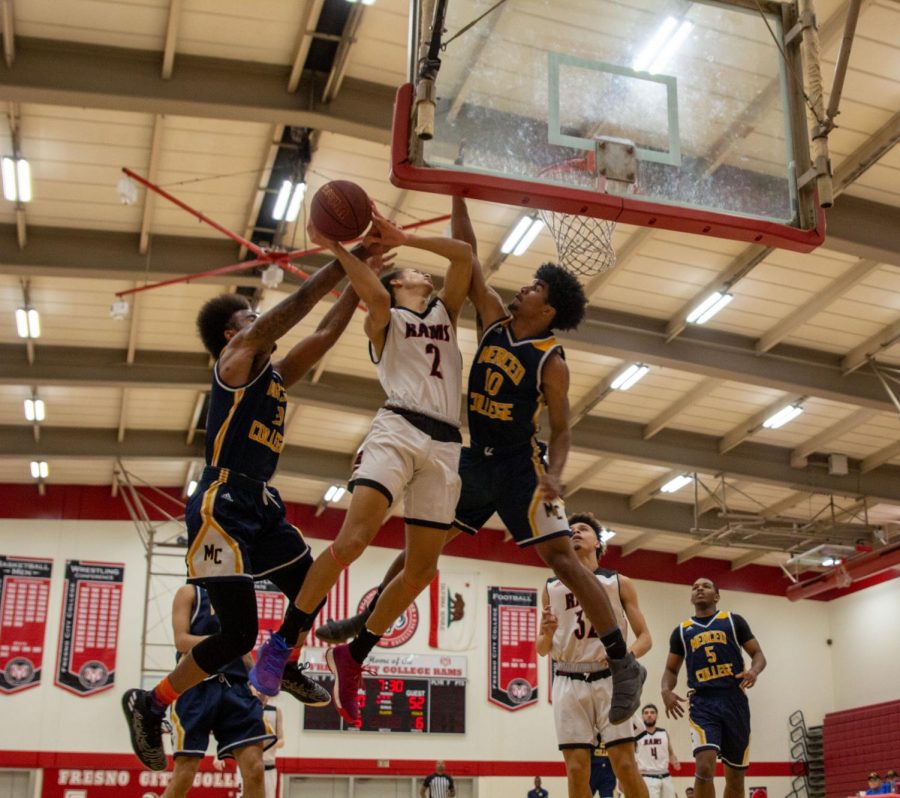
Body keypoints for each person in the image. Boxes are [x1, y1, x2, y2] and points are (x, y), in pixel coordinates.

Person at [316, 196, 646, 723]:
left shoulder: (551, 361)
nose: (524, 287)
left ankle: (623, 662)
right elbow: (465, 253)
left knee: (564, 562)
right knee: (420, 552)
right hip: (473, 461)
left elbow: (562, 430)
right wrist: (456, 191)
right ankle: (359, 639)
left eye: (535, 288)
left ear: (549, 309)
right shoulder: (492, 316)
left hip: (521, 469)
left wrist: (555, 477)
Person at [122, 243, 380, 770]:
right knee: (237, 632)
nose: (260, 320)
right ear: (232, 334)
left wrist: (362, 274)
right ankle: (150, 705)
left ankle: (281, 659)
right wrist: (345, 258)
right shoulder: (233, 362)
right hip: (221, 504)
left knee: (310, 583)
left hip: (259, 503)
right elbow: (301, 306)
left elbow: (326, 333)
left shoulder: (275, 377)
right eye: (250, 317)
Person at [248, 209, 473, 725]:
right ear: (396, 285)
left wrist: (405, 235)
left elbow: (464, 256)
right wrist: (338, 247)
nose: (422, 271)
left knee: (421, 572)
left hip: (444, 443)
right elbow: (371, 295)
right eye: (411, 269)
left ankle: (354, 655)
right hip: (398, 429)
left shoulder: (445, 314)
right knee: (351, 542)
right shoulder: (384, 318)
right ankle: (282, 644)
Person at [537, 512, 652, 798]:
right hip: (568, 677)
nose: (575, 532)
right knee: (576, 771)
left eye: (583, 529)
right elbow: (541, 648)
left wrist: (626, 659)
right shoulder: (551, 586)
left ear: (598, 543)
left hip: (610, 678)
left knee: (624, 765)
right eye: (570, 529)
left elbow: (646, 638)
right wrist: (547, 633)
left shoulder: (618, 581)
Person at [162, 584, 275, 798]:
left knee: (255, 769)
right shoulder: (189, 592)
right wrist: (225, 641)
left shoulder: (236, 594)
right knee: (185, 773)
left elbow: (242, 648)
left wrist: (257, 679)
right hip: (196, 685)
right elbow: (181, 641)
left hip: (236, 686)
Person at [661, 578, 767, 798]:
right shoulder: (681, 631)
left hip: (734, 700)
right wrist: (666, 691)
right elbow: (671, 670)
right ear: (691, 597)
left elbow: (758, 655)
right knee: (705, 766)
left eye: (706, 586)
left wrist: (753, 672)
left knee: (736, 778)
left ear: (717, 596)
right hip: (703, 702)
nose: (699, 588)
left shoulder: (733, 621)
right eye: (695, 587)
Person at [235, 704, 283, 798]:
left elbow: (281, 740)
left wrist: (268, 743)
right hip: (247, 765)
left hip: (268, 766)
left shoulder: (276, 710)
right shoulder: (243, 708)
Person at [636, 704, 680, 798]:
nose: (649, 715)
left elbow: (671, 753)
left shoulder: (663, 733)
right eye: (646, 713)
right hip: (647, 777)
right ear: (642, 716)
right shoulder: (637, 735)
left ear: (657, 716)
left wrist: (674, 761)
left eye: (652, 712)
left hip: (665, 775)